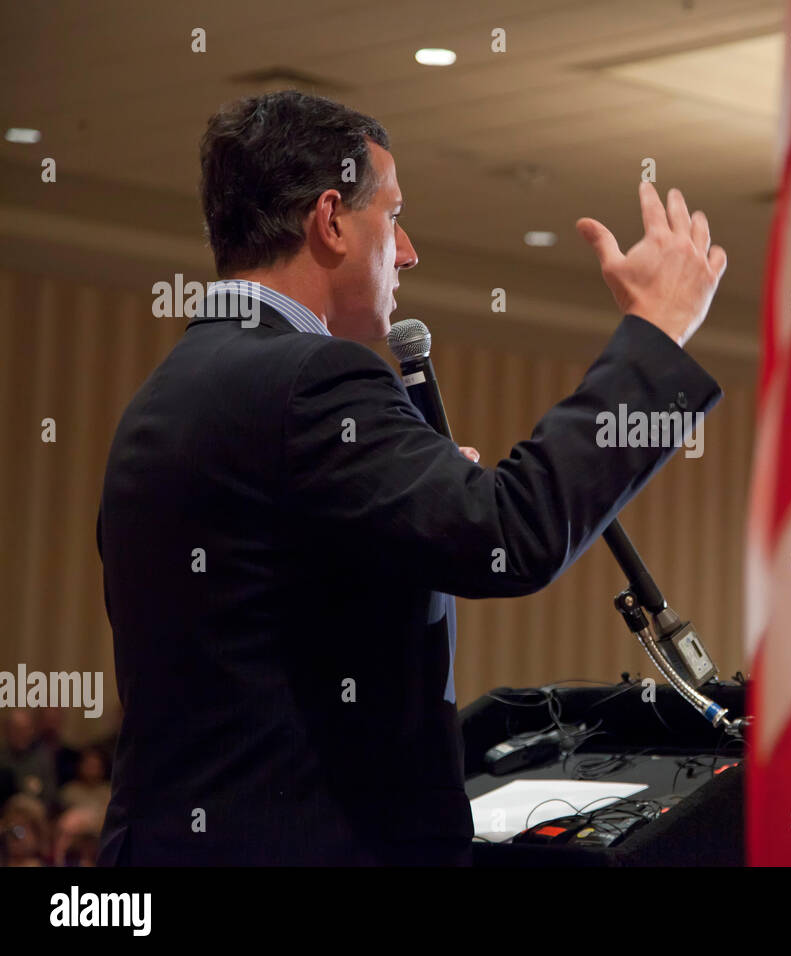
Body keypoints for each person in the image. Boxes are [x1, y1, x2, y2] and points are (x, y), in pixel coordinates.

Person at [96, 91, 727, 866]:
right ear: (330, 220)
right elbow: (510, 535)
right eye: (391, 217)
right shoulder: (314, 380)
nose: (407, 251)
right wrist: (657, 334)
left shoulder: (166, 393)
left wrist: (411, 506)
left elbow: (268, 619)